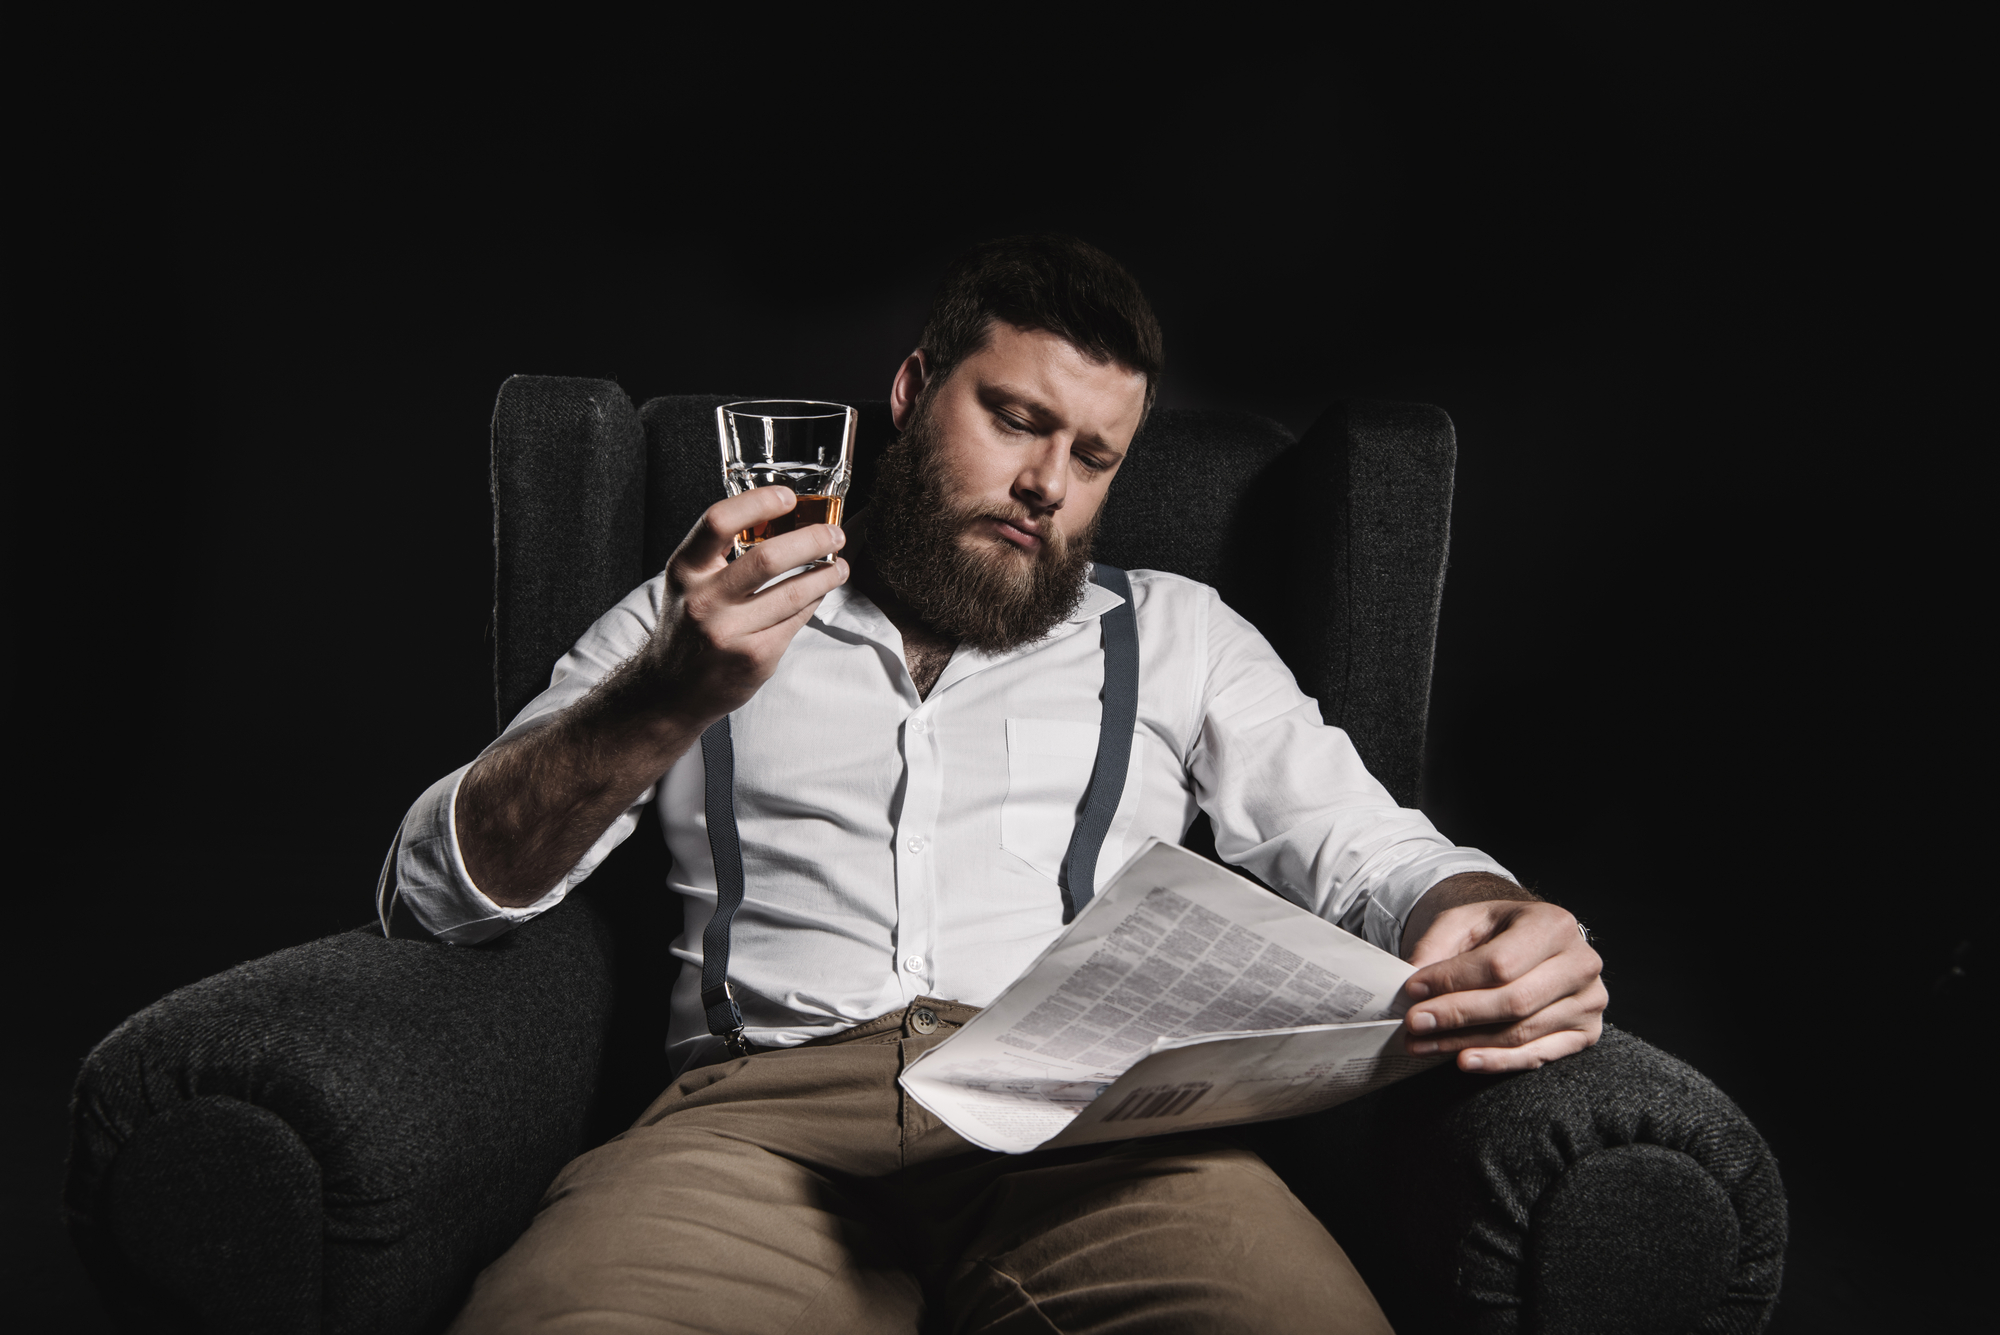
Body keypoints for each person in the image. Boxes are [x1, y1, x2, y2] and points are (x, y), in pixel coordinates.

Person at [393, 235, 1608, 1334]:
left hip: (1099, 1140)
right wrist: (667, 693)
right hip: (751, 1126)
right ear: (914, 390)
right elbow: (434, 895)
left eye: (1093, 456)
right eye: (1017, 420)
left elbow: (1368, 848)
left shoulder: (1175, 632)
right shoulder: (694, 614)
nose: (1047, 485)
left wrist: (1485, 913)